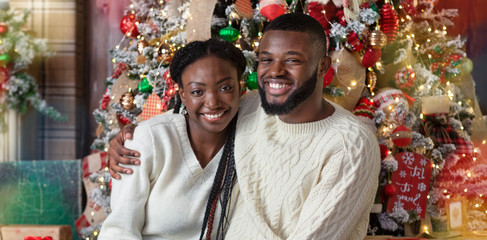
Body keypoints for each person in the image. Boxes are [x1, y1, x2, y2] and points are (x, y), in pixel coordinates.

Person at [109, 13, 381, 239]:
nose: (275, 71)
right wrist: (129, 138)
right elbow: (201, 109)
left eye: (292, 60)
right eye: (266, 59)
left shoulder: (350, 144)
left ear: (323, 66)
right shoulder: (252, 107)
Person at [99, 39, 246, 240]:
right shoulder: (149, 140)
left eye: (225, 88)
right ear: (183, 95)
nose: (212, 102)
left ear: (241, 87)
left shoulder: (250, 136)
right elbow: (119, 231)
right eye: (197, 92)